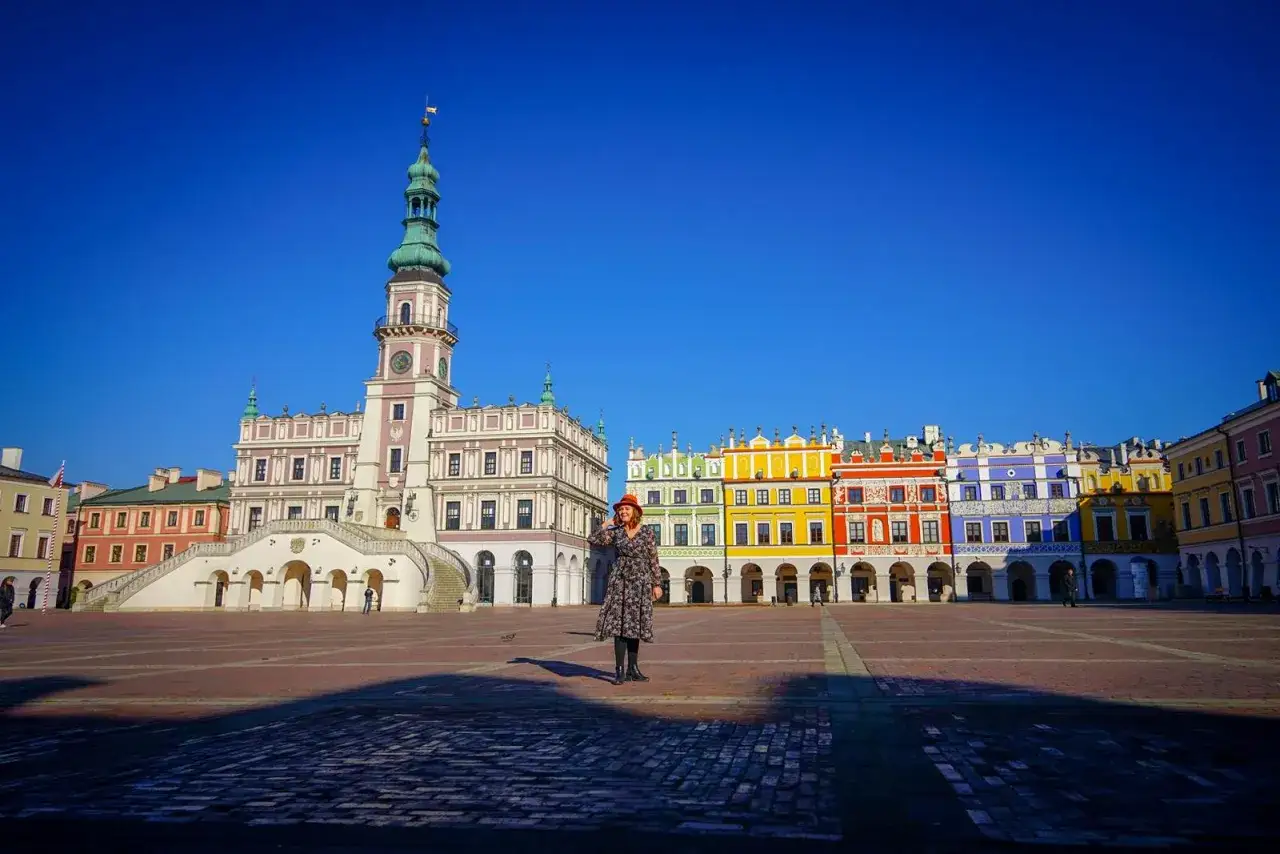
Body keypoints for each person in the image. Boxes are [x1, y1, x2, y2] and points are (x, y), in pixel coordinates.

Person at [588, 493, 662, 685]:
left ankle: (633, 668)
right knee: (619, 626)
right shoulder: (616, 532)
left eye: (626, 509)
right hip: (620, 581)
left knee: (634, 625)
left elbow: (653, 558)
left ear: (635, 511)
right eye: (620, 510)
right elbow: (592, 538)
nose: (623, 512)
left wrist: (656, 584)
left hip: (640, 580)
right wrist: (606, 524)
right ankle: (619, 670)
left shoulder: (646, 532)